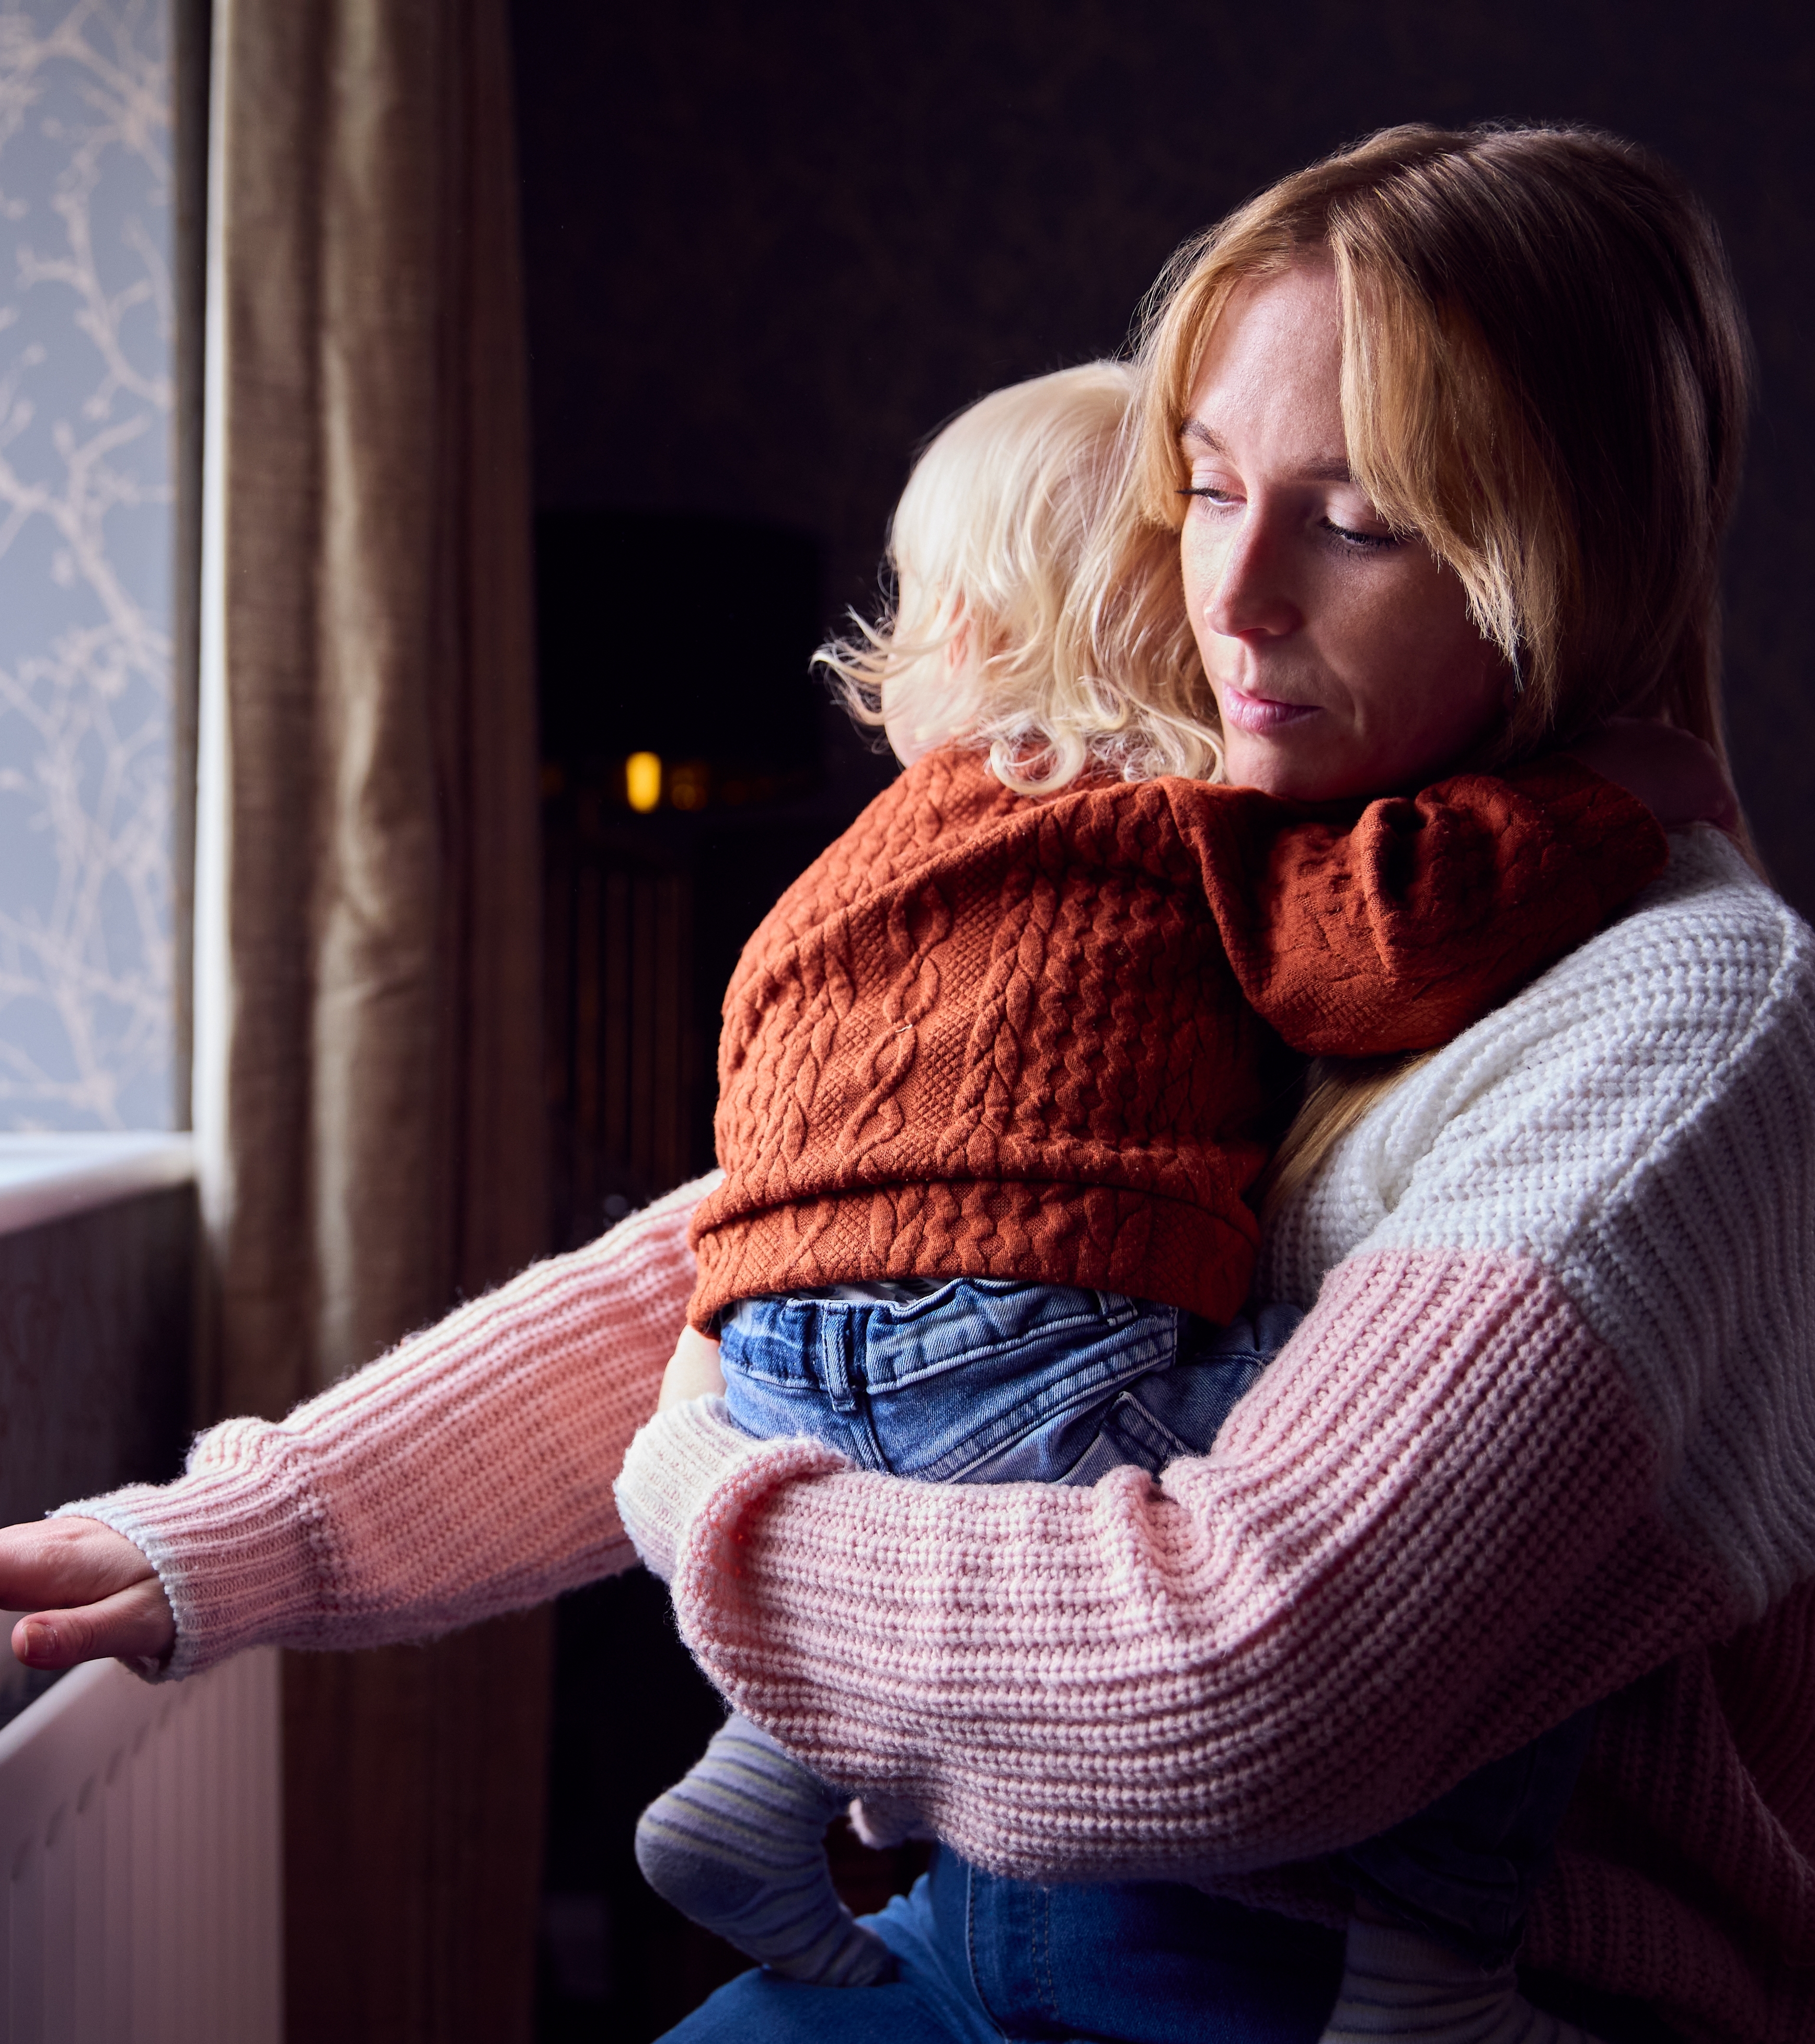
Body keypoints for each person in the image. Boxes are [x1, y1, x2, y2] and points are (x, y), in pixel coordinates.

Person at [0, 124, 1815, 2044]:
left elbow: (1245, 1680)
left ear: (1564, 567)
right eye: (1209, 492)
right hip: (1006, 1941)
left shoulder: (1685, 1009)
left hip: (1429, 2004)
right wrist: (220, 1538)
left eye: (1355, 526)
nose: (1223, 600)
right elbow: (764, 1266)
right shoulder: (1229, 870)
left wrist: (710, 1502)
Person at [625, 358, 1702, 2006]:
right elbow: (1381, 954)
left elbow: (774, 1128)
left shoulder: (848, 872)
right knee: (1506, 1543)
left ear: (967, 642)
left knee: (913, 1462)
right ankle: (1432, 1975)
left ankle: (757, 1777)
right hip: (1013, 1335)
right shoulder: (1172, 811)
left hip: (767, 1351)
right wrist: (1602, 803)